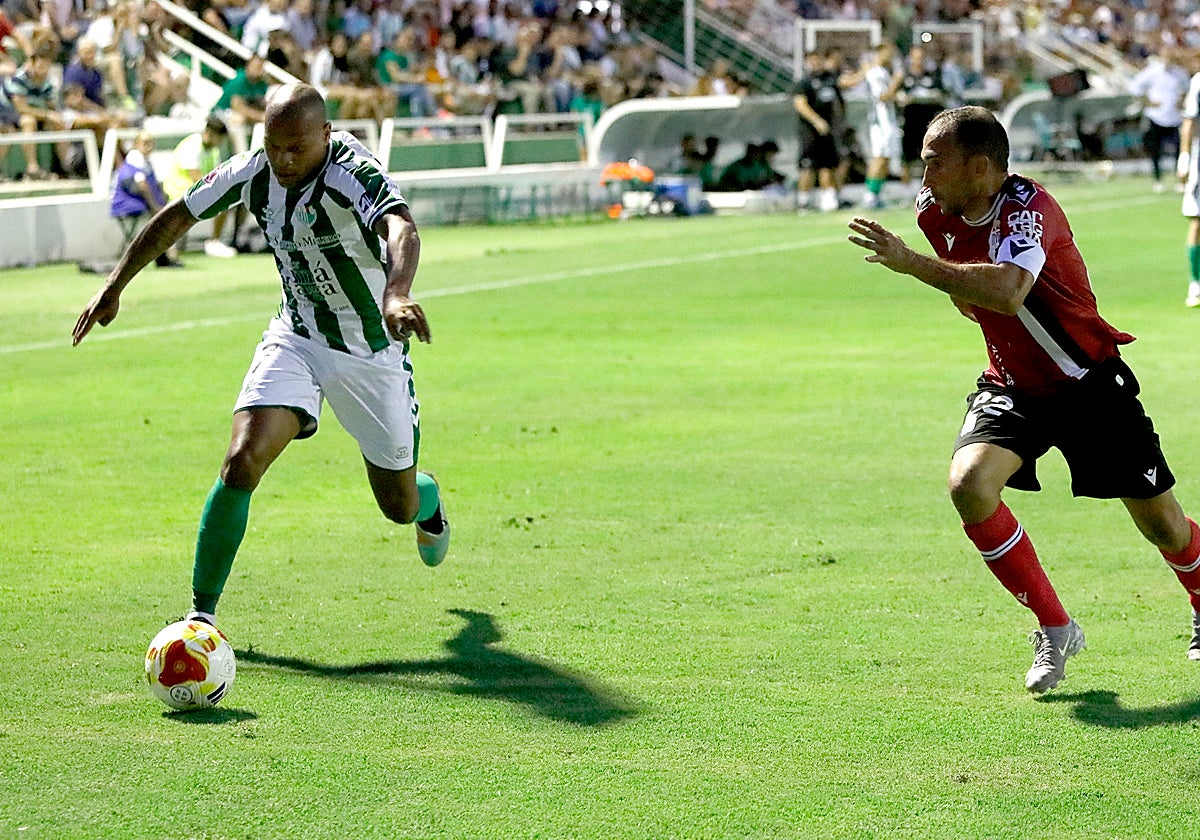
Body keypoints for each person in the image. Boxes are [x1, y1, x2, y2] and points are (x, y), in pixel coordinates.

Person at [847, 106, 1200, 694]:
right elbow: (966, 290)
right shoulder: (934, 211)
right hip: (1013, 384)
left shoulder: (1028, 210)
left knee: (1163, 526)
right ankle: (1055, 627)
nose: (923, 178)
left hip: (1088, 383)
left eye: (935, 164)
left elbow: (1009, 291)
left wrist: (911, 265)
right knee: (969, 485)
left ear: (980, 166)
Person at [73, 83, 451, 629]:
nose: (283, 160)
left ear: (325, 134)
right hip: (295, 337)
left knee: (398, 507)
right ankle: (200, 620)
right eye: (274, 146)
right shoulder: (253, 170)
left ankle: (427, 496)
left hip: (369, 349)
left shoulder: (353, 173)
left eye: (296, 147)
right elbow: (179, 214)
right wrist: (115, 286)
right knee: (241, 459)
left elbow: (399, 226)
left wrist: (396, 292)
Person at [164, 114, 239, 258]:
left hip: (193, 190)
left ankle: (215, 242)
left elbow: (216, 175)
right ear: (210, 134)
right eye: (220, 138)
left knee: (228, 199)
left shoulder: (213, 151)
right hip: (178, 191)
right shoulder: (193, 146)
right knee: (222, 200)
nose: (221, 142)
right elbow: (195, 177)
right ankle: (212, 242)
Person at [110, 130, 183, 268]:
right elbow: (142, 186)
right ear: (136, 144)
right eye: (145, 143)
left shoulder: (145, 161)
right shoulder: (136, 159)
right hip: (126, 204)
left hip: (137, 202)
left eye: (151, 143)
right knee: (160, 220)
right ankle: (163, 256)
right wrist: (155, 206)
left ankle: (163, 255)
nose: (148, 147)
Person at [793, 49, 848, 212]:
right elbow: (800, 104)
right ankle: (803, 201)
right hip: (810, 131)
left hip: (829, 130)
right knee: (808, 165)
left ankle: (828, 198)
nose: (815, 63)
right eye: (812, 60)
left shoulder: (830, 79)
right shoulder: (804, 82)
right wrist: (817, 121)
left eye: (818, 59)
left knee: (827, 165)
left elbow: (846, 83)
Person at [1129, 48, 1189, 194]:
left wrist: (1182, 102)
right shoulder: (1152, 71)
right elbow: (1135, 86)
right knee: (1155, 150)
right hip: (1156, 116)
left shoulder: (1180, 73)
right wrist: (1148, 102)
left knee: (1178, 151)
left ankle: (1180, 180)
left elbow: (1188, 90)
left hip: (1174, 117)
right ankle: (1158, 180)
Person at [1178, 63, 1200, 307]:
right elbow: (1189, 123)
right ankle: (1196, 282)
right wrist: (1184, 158)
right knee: (1197, 220)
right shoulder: (1199, 82)